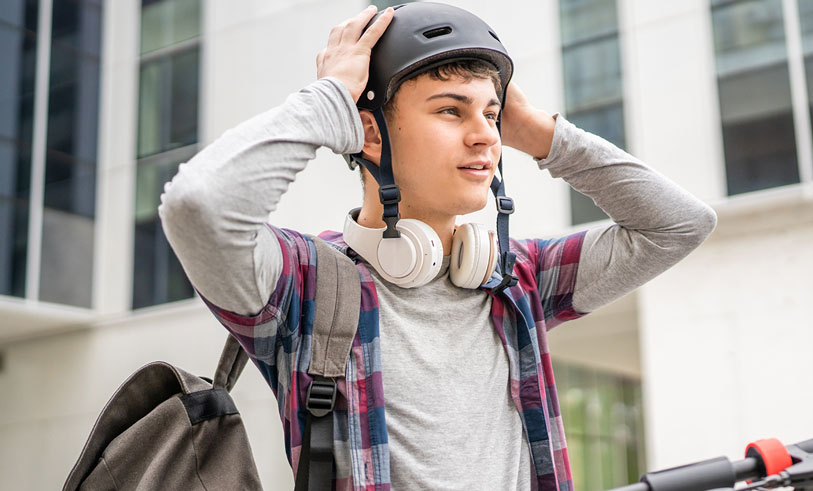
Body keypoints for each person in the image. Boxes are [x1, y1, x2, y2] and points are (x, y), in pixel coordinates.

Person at [159, 3, 717, 490]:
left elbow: (679, 224)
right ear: (369, 133)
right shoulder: (301, 285)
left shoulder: (515, 277)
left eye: (491, 114)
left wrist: (539, 132)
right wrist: (329, 102)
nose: (486, 136)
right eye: (451, 110)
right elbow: (198, 204)